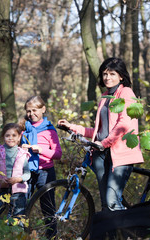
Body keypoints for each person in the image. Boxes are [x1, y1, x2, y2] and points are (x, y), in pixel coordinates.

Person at [58, 57, 144, 211]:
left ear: (121, 76)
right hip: (101, 153)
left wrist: (104, 143)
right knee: (106, 203)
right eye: (104, 74)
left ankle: (126, 232)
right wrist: (72, 127)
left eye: (112, 74)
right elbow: (99, 132)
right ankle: (112, 234)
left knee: (112, 201)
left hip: (121, 153)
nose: (107, 77)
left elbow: (123, 125)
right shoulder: (105, 97)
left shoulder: (126, 92)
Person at [20, 96, 62, 237]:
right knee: (22, 204)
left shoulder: (50, 130)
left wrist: (42, 150)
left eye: (35, 110)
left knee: (48, 207)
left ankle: (52, 235)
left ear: (43, 109)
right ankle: (22, 234)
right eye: (28, 111)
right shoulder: (24, 129)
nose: (31, 114)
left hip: (46, 172)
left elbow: (58, 154)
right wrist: (22, 149)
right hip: (26, 172)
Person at [0, 123, 30, 221]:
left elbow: (27, 174)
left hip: (18, 190)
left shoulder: (22, 154)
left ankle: (15, 233)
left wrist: (18, 179)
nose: (11, 138)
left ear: (19, 138)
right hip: (1, 190)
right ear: (3, 137)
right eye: (7, 135)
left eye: (14, 135)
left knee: (17, 217)